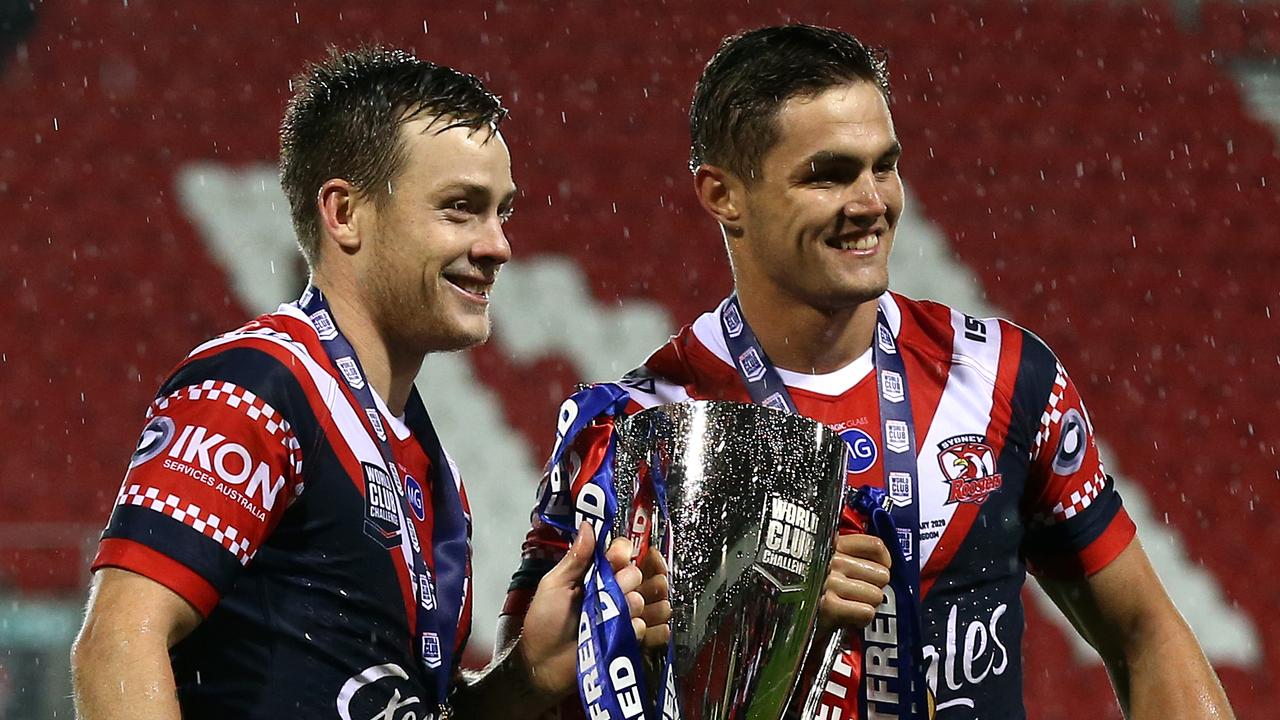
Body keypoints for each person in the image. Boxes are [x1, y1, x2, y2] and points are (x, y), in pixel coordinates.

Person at [500, 24, 1233, 719]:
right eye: (829, 176)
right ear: (723, 195)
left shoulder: (1004, 375)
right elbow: (525, 690)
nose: (872, 203)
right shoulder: (635, 432)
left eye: (885, 165)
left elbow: (1145, 635)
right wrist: (753, 627)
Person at [70, 46, 669, 720]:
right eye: (460, 208)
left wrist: (527, 676)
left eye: (502, 211)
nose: (498, 244)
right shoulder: (261, 386)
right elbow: (120, 639)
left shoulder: (424, 462)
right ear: (345, 213)